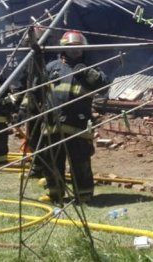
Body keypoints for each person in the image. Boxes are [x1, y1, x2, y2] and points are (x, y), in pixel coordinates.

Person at [35, 30, 108, 204]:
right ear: (63, 49)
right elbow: (38, 89)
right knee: (52, 163)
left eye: (79, 48)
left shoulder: (91, 69)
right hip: (53, 124)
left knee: (80, 163)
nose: (76, 51)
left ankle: (84, 196)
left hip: (79, 124)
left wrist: (91, 75)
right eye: (71, 48)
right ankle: (55, 195)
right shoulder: (52, 68)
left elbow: (104, 86)